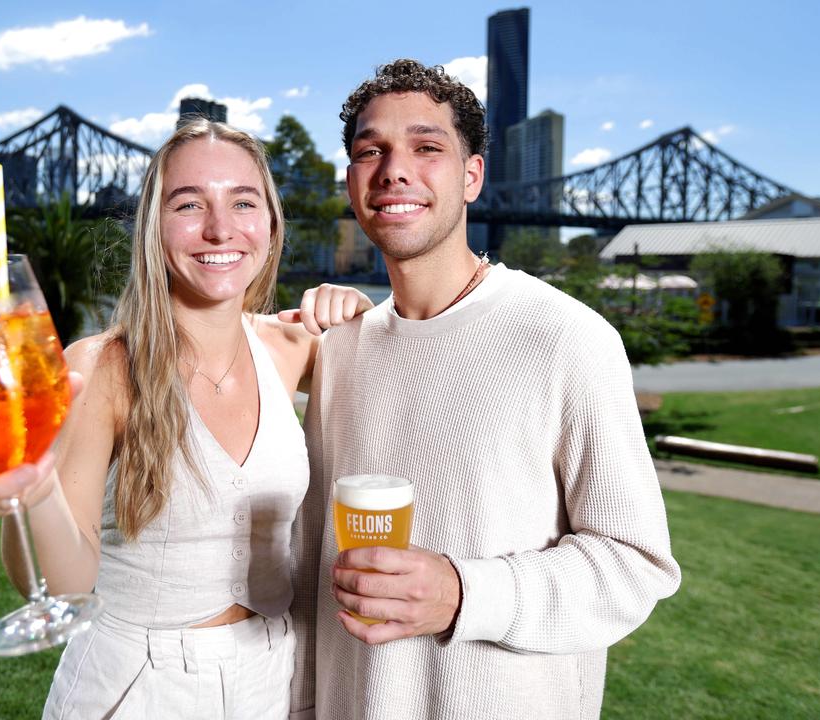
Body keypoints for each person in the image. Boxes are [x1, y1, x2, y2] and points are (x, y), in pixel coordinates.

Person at [0, 119, 371, 719]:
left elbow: (410, 399)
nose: (220, 228)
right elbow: (67, 585)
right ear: (152, 228)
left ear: (271, 227)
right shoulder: (100, 369)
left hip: (276, 682)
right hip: (138, 687)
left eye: (243, 202)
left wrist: (362, 318)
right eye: (189, 204)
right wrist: (35, 488)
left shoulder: (296, 348)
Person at [288, 59, 682, 719]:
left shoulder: (565, 337)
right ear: (352, 181)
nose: (394, 170)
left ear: (472, 176)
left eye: (427, 147)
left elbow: (634, 565)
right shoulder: (339, 349)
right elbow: (310, 571)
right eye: (369, 151)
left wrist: (463, 593)